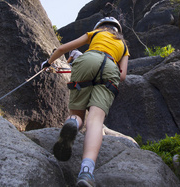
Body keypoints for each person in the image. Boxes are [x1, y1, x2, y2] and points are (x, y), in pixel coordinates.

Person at [41, 16, 129, 187]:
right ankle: (86, 172)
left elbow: (62, 48)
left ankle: (73, 121)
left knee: (77, 114)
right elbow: (123, 75)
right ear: (117, 30)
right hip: (110, 67)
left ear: (100, 26)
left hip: (88, 60)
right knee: (95, 120)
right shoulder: (124, 46)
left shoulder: (94, 34)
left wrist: (48, 62)